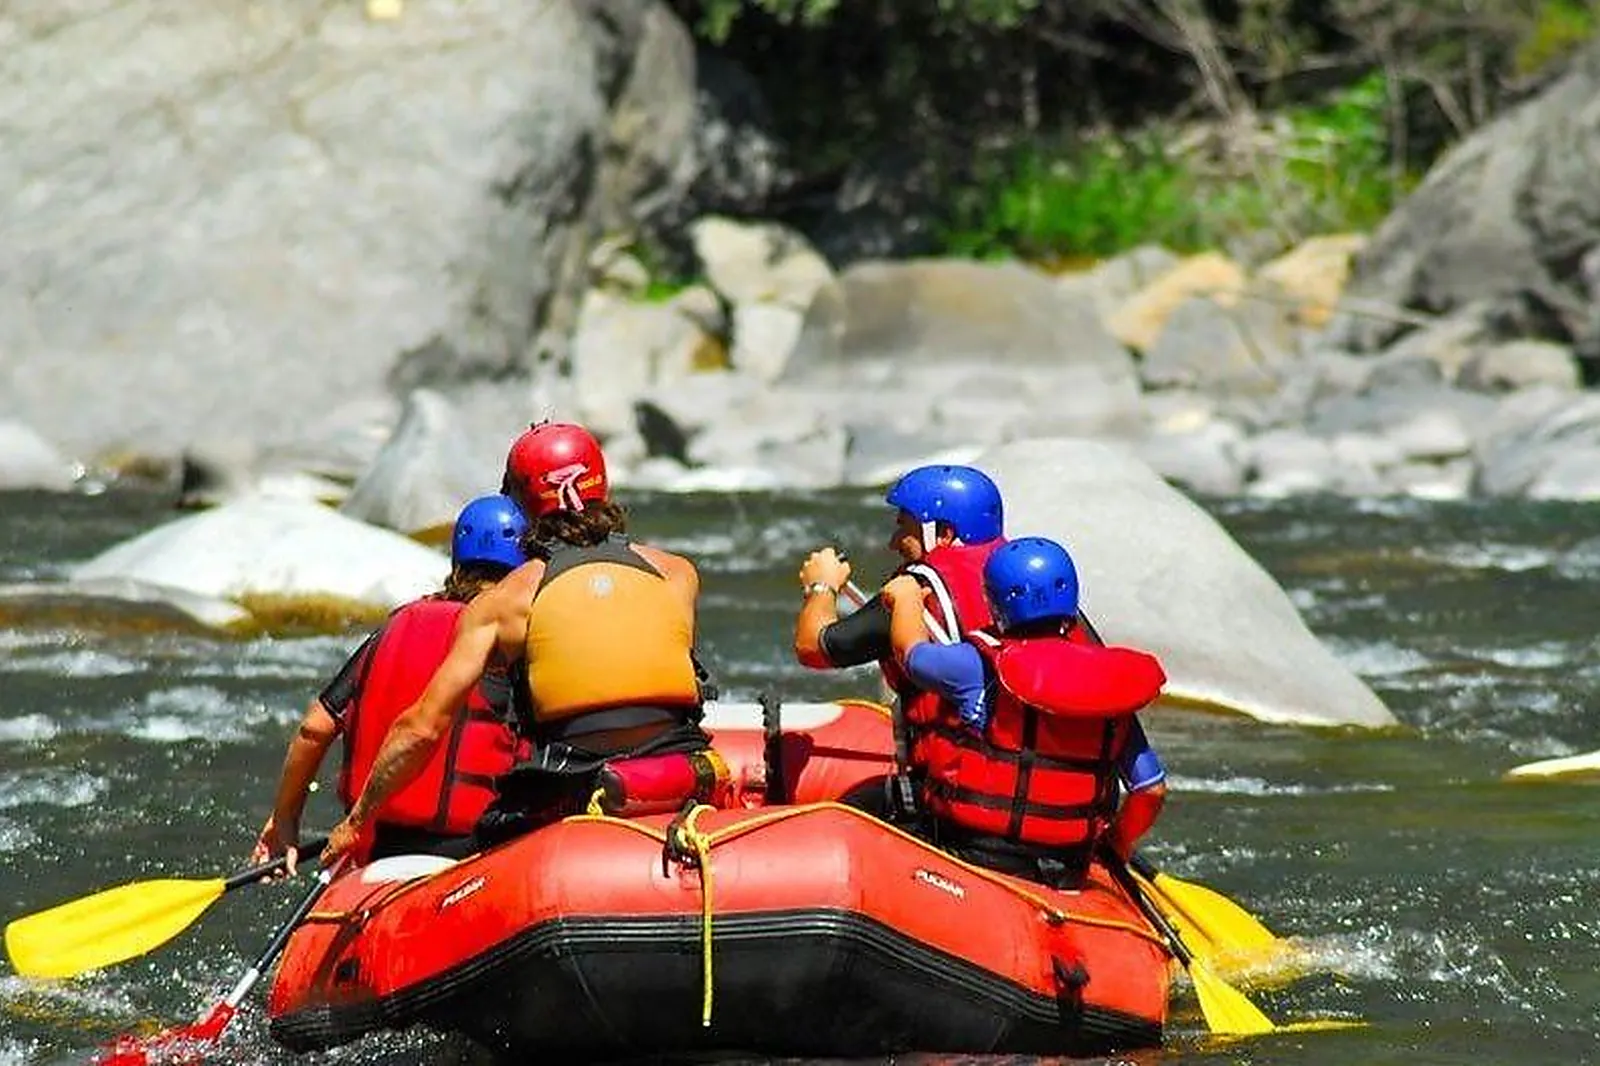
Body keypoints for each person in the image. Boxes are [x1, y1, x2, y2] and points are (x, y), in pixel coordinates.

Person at [322, 422, 715, 864]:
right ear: (601, 485)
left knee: (488, 833)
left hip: (575, 786)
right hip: (677, 774)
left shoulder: (503, 603)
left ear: (520, 503)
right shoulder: (677, 575)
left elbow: (421, 727)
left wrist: (357, 822)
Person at [251, 494, 530, 872]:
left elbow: (313, 728)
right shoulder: (512, 642)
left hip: (375, 846)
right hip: (471, 851)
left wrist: (285, 821)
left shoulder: (393, 628)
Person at [880, 536, 1168, 889]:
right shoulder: (1110, 689)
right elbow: (1150, 790)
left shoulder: (979, 667)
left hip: (979, 857)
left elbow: (911, 654)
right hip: (1069, 866)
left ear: (996, 603)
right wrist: (1115, 846)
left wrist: (906, 598)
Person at [792, 464, 1006, 814]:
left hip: (956, 801)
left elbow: (813, 647)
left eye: (904, 528)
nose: (894, 543)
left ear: (943, 533)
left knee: (841, 815)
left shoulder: (917, 591)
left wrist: (822, 585)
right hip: (1020, 794)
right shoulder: (1032, 597)